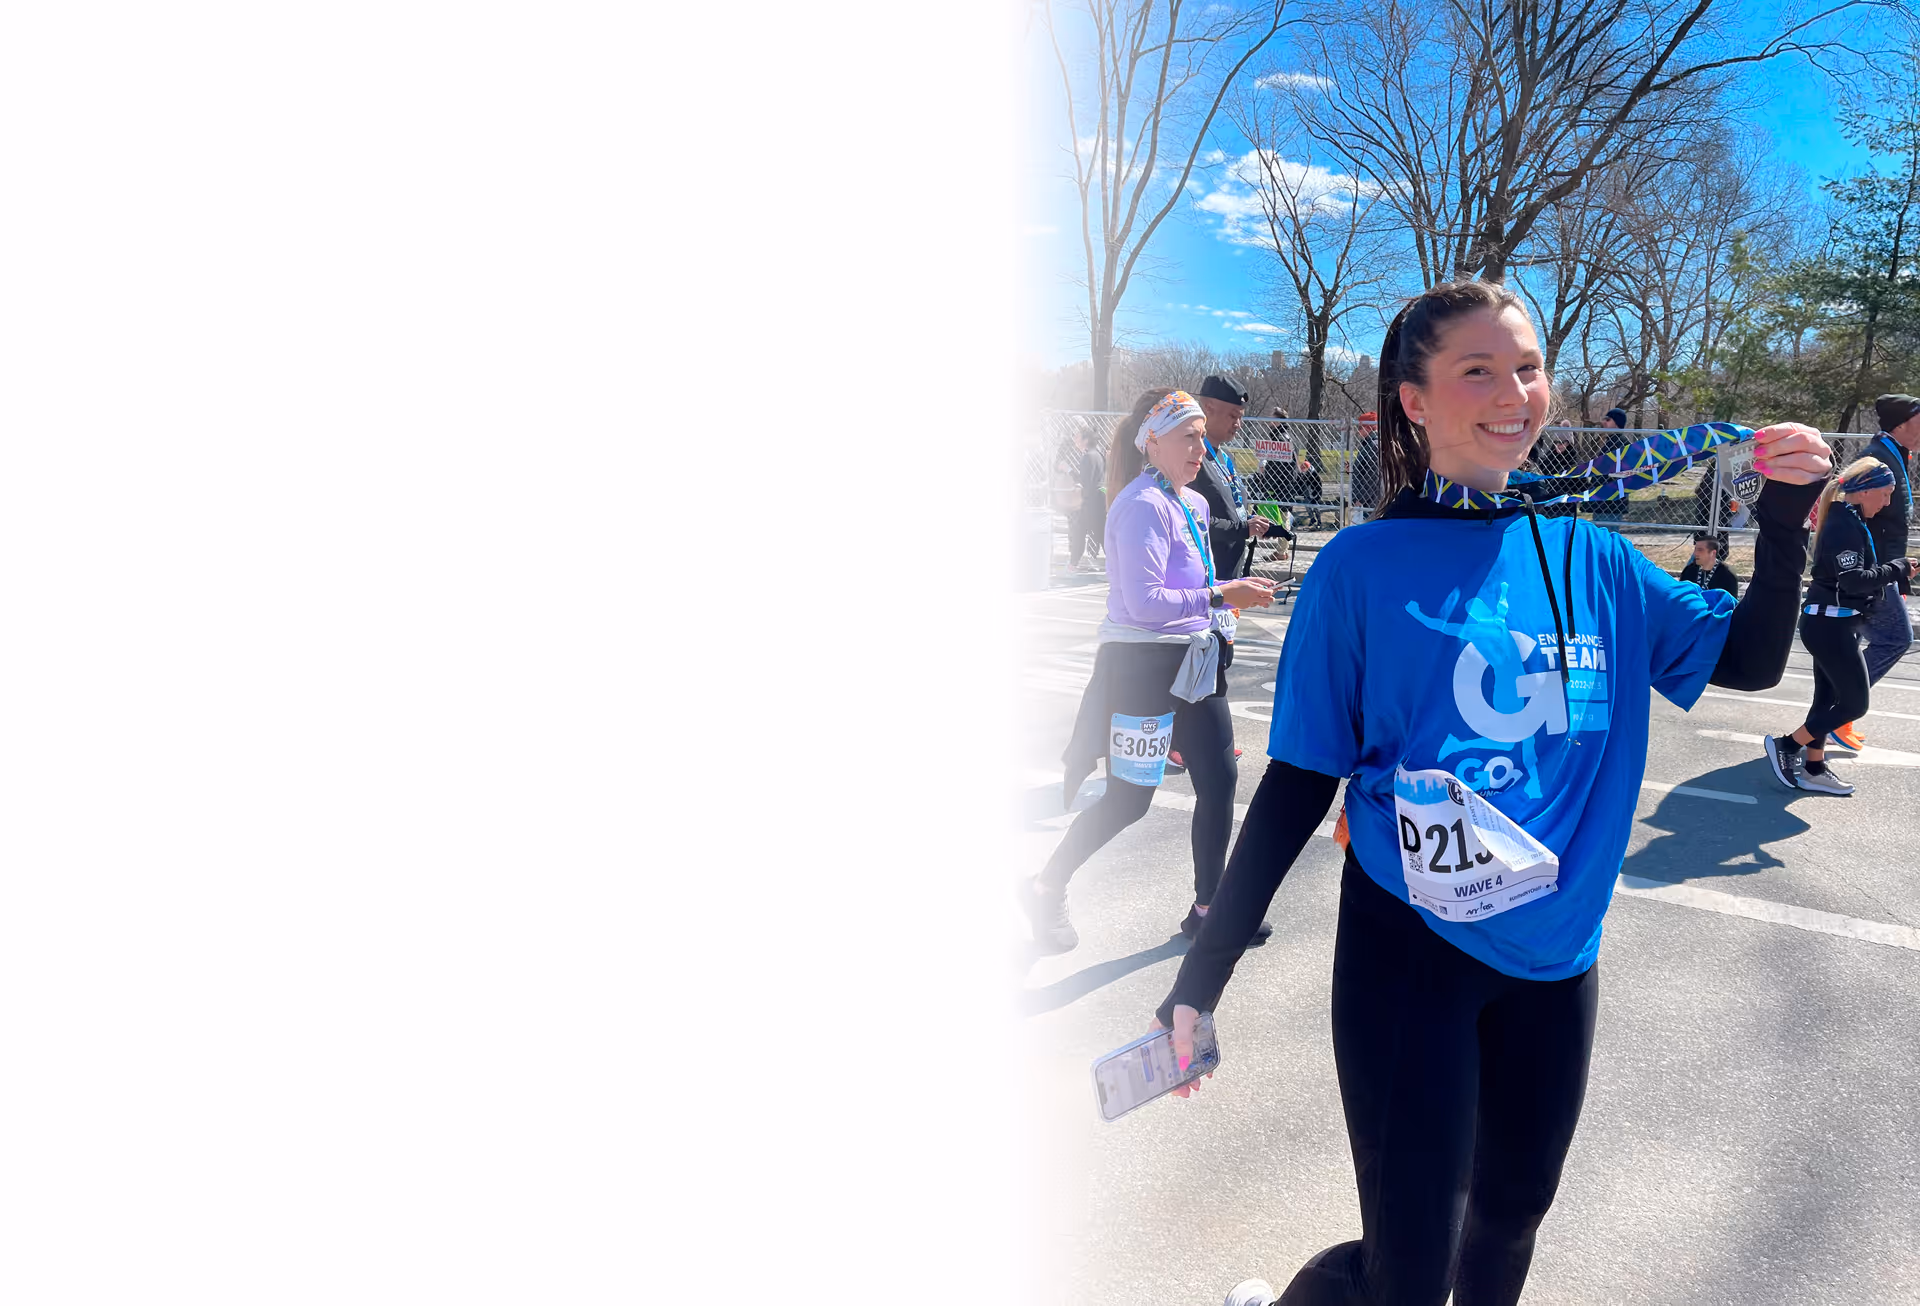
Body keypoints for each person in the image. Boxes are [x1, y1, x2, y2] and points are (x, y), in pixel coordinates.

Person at [1142, 280, 1831, 1306]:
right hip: (1409, 956)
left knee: (1508, 1222)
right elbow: (1296, 784)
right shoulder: (1363, 566)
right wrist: (1200, 977)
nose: (1514, 392)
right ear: (1412, 401)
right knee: (1406, 1277)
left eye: (1528, 367)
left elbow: (1752, 663)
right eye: (1477, 370)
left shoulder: (1595, 555)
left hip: (1558, 962)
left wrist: (1783, 516)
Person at [1019, 389, 1278, 953]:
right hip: (1141, 666)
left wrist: (1229, 609)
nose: (1200, 446)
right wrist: (1221, 595)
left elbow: (1196, 587)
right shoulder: (1139, 505)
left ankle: (1208, 908)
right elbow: (1145, 604)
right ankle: (1045, 885)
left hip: (1193, 658)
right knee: (1128, 800)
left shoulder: (1194, 502)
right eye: (1188, 436)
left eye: (1202, 435)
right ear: (1151, 442)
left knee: (1221, 780)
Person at [1763, 460, 1916, 796]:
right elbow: (1854, 582)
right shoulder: (1844, 524)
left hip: (1834, 622)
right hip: (1829, 625)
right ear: (1864, 490)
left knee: (1826, 700)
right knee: (1854, 704)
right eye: (1885, 494)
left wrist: (1897, 569)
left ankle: (1815, 768)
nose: (1887, 502)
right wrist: (1897, 568)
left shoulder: (1851, 519)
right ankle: (1787, 745)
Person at [1828, 393, 1920, 750]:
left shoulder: (1894, 455)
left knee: (1865, 642)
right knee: (1895, 639)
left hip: (1884, 568)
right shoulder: (1877, 458)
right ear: (1901, 424)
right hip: (1872, 571)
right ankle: (1838, 712)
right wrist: (1880, 570)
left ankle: (1838, 713)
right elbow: (1850, 511)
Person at [1193, 375, 1274, 580]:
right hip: (1206, 581)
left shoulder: (1225, 457)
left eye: (1241, 417)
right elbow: (1187, 520)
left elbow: (1231, 510)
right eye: (1232, 416)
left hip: (1231, 577)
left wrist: (1250, 523)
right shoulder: (1192, 457)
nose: (1238, 424)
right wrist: (1241, 529)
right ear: (1208, 407)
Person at [1068, 420, 1107, 570]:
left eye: (1078, 437)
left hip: (1090, 501)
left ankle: (1073, 564)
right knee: (1101, 534)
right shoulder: (1097, 454)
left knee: (1080, 532)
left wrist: (1070, 471)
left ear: (1086, 440)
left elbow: (1085, 482)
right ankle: (1116, 566)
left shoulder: (1087, 457)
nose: (1075, 440)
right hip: (1099, 499)